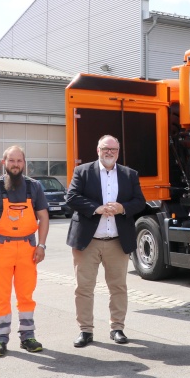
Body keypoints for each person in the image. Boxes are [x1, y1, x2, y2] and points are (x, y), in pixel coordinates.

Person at [66, 135, 146, 347]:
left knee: (118, 287)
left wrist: (122, 208)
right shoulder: (82, 171)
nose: (109, 152)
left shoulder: (129, 174)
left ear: (118, 152)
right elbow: (71, 197)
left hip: (117, 241)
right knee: (83, 288)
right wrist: (96, 208)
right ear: (98, 150)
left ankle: (117, 328)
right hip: (87, 241)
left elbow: (140, 201)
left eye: (113, 149)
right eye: (105, 148)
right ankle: (85, 330)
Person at [0, 146, 49, 357]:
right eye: (11, 161)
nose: (15, 164)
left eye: (19, 160)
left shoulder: (34, 187)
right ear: (4, 163)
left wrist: (41, 246)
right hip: (0, 249)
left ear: (24, 163)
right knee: (1, 295)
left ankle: (28, 337)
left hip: (28, 248)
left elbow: (43, 217)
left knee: (26, 295)